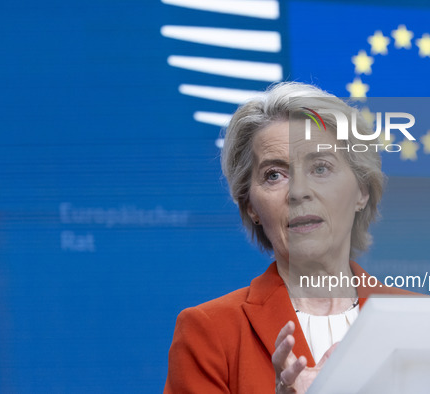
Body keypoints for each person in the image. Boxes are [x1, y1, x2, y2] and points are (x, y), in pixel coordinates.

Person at [163, 82, 416, 394]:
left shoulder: (423, 321)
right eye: (274, 175)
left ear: (361, 191)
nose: (298, 192)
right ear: (250, 206)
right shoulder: (210, 331)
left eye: (321, 168)